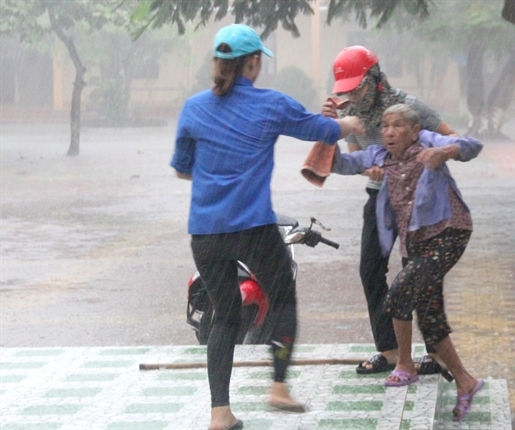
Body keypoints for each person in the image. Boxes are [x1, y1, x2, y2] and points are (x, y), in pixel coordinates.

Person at [171, 24, 364, 430]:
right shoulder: (271, 105)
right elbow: (323, 129)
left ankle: (219, 412)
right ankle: (278, 386)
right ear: (254, 62)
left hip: (205, 234)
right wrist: (352, 125)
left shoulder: (193, 108)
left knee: (224, 316)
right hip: (252, 228)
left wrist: (219, 171)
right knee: (283, 299)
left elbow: (183, 170)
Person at [331, 103, 484, 422]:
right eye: (385, 126)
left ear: (414, 131)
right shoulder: (378, 157)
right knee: (429, 316)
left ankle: (404, 364)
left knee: (399, 293)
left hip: (448, 232)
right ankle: (465, 381)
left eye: (398, 125)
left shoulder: (429, 142)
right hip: (415, 244)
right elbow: (340, 164)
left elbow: (472, 145)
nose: (388, 132)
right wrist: (330, 129)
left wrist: (447, 153)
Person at [321, 46, 458, 375]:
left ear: (376, 78)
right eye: (347, 90)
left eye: (358, 86)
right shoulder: (352, 113)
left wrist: (432, 160)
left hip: (417, 203)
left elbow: (453, 139)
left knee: (421, 275)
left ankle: (436, 354)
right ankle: (391, 350)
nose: (352, 94)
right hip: (379, 200)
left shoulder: (409, 108)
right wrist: (328, 126)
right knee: (370, 270)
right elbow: (356, 156)